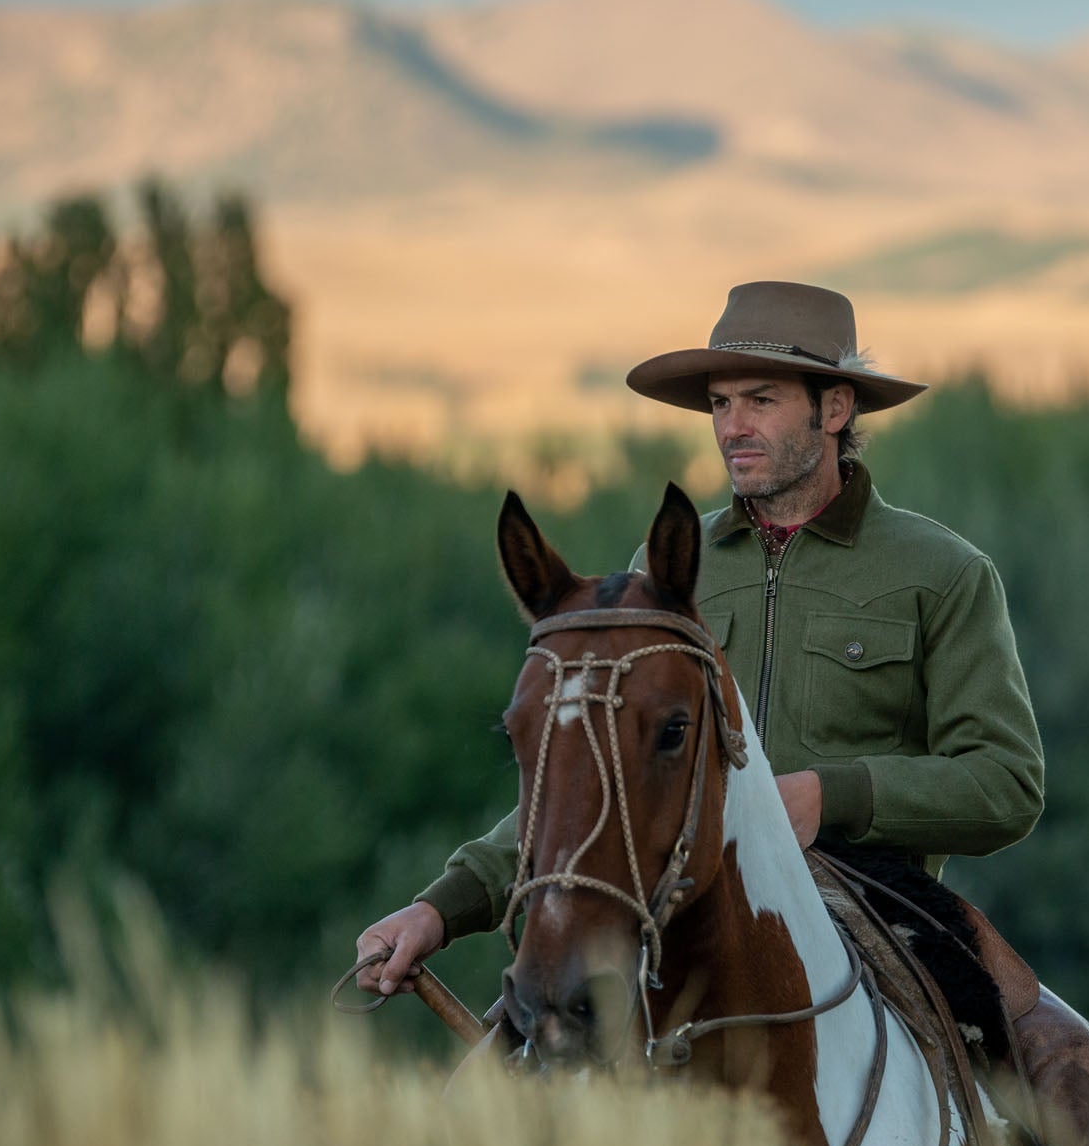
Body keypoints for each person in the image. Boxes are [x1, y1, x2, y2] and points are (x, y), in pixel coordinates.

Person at [356, 279, 1044, 996]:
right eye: (720, 403)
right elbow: (588, 776)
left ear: (834, 409)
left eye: (761, 399)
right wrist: (442, 907)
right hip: (677, 922)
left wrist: (830, 795)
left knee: (1060, 1061)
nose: (731, 426)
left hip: (881, 918)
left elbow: (1007, 783)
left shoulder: (944, 573)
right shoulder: (664, 575)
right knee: (490, 1087)